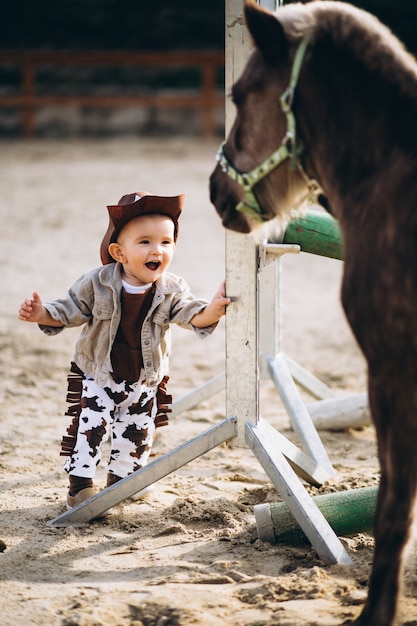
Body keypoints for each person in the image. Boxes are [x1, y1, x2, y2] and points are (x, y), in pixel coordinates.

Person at [18, 191, 231, 511]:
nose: (156, 249)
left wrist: (214, 308)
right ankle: (80, 487)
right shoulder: (97, 283)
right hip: (98, 374)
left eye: (166, 242)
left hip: (144, 379)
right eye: (144, 242)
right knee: (90, 427)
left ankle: (120, 483)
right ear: (119, 252)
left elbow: (191, 314)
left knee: (137, 433)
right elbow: (70, 309)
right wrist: (42, 314)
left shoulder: (172, 289)